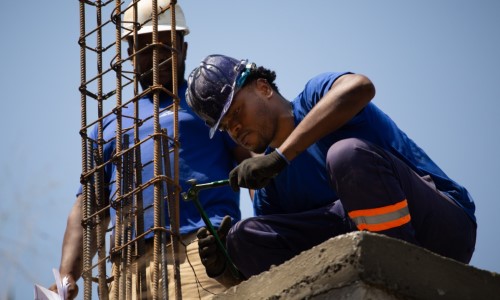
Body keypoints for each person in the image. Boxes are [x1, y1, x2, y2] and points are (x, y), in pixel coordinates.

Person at [186, 54, 477, 280]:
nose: (234, 128)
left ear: (263, 88)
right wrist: (226, 266)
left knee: (346, 155)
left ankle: (397, 269)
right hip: (358, 240)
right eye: (225, 126)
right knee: (244, 236)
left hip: (441, 226)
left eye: (236, 112)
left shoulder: (315, 96)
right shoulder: (270, 187)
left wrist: (281, 156)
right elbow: (273, 261)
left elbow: (360, 87)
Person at [49, 3, 251, 299]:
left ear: (183, 46)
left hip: (203, 253)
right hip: (128, 269)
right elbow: (88, 208)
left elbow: (253, 164)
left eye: (166, 45)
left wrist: (268, 228)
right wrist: (66, 278)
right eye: (144, 48)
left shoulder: (209, 102)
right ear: (130, 53)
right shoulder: (110, 127)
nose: (156, 55)